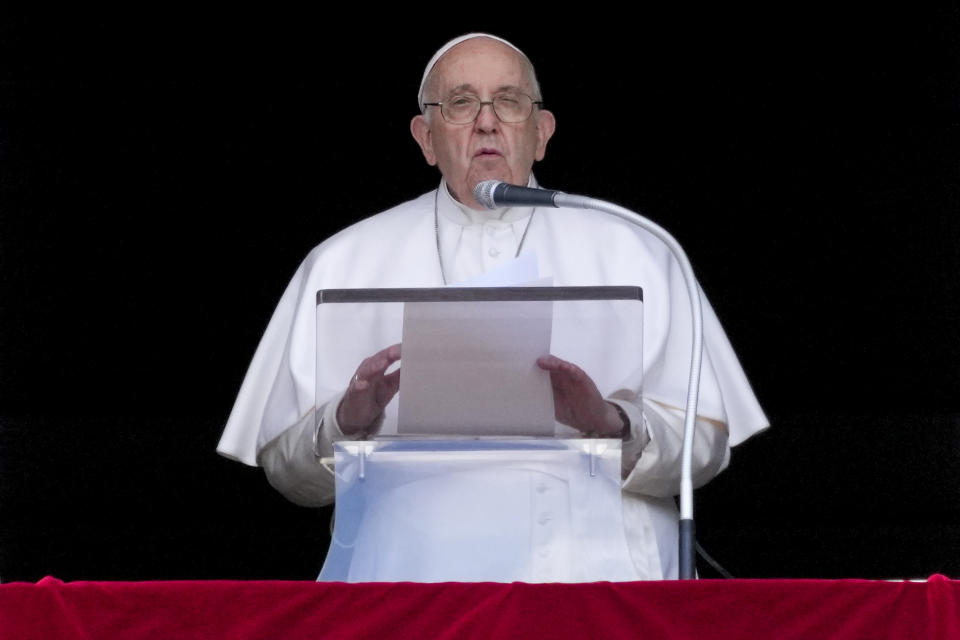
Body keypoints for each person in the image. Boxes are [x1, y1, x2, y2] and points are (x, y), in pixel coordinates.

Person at [217, 33, 768, 580]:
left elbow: (706, 446)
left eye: (509, 101)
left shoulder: (639, 248)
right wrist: (345, 421)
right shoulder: (342, 260)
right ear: (426, 138)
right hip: (409, 579)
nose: (487, 122)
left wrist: (610, 423)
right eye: (460, 103)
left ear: (542, 132)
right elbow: (287, 474)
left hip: (598, 575)